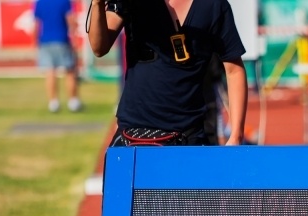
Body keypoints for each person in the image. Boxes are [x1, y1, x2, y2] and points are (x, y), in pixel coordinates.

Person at [87, 0, 248, 147]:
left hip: (188, 137)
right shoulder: (131, 2)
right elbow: (99, 47)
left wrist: (236, 136)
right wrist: (97, 4)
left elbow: (234, 69)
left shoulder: (213, 5)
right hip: (133, 136)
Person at [34, 0, 83, 113]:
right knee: (70, 70)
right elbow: (70, 19)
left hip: (45, 41)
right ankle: (73, 102)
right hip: (62, 40)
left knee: (50, 71)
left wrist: (36, 42)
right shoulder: (64, 1)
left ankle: (53, 102)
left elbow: (36, 24)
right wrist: (74, 37)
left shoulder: (40, 2)